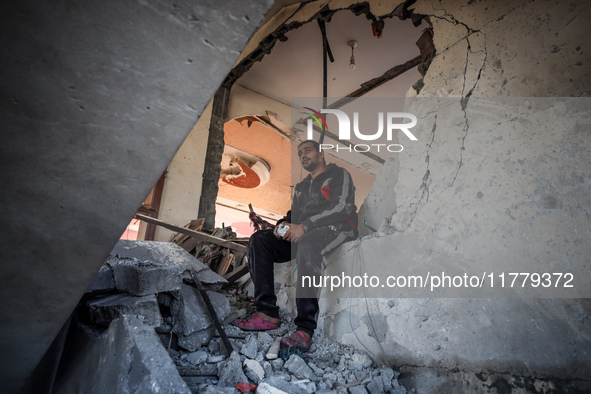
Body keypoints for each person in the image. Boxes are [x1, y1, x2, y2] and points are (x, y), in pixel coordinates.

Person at [233, 140, 358, 350]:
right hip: (305, 231)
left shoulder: (339, 174)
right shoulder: (301, 187)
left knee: (309, 244)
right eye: (300, 153)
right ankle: (266, 313)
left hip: (337, 228)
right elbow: (294, 215)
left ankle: (305, 330)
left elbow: (343, 207)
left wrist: (305, 227)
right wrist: (283, 225)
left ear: (321, 154)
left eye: (307, 150)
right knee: (259, 240)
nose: (303, 156)